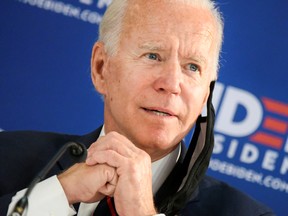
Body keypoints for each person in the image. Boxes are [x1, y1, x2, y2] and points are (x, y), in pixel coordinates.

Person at [0, 0, 275, 215]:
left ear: (206, 95)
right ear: (101, 68)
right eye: (153, 56)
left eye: (193, 66)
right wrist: (58, 195)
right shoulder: (7, 157)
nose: (171, 84)